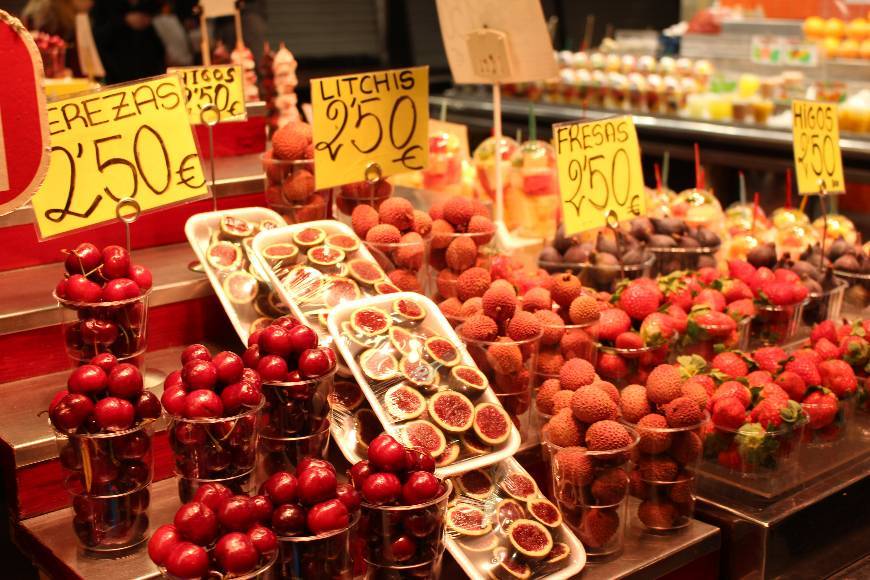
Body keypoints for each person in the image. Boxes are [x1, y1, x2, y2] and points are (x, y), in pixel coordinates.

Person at [91, 0, 165, 83]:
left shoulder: (151, 4)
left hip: (150, 71)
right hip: (116, 74)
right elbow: (97, 36)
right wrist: (125, 21)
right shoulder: (105, 4)